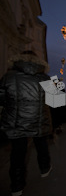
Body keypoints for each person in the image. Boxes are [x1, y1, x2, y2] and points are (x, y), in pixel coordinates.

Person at [0, 51, 52, 196]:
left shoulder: (8, 76)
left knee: (17, 153)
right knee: (42, 145)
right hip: (39, 119)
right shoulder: (46, 78)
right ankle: (44, 169)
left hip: (16, 121)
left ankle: (16, 186)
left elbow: (1, 99)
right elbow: (57, 101)